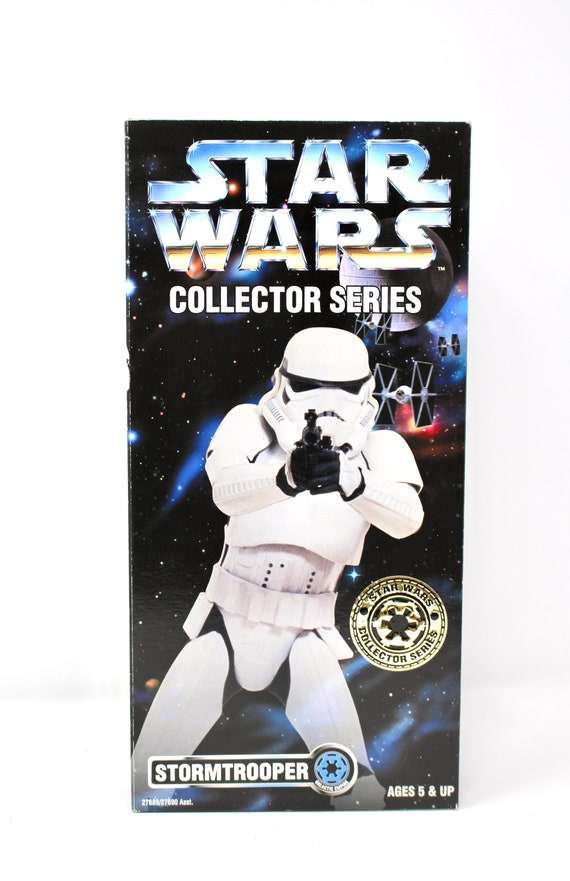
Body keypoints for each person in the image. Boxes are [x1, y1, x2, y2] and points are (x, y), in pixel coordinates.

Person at [133, 327, 424, 809]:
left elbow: (407, 519)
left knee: (358, 789)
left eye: (343, 391)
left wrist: (352, 480)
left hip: (306, 637)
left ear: (365, 391)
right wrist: (284, 477)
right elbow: (225, 492)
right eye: (309, 386)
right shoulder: (249, 425)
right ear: (283, 383)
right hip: (227, 625)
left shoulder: (381, 451)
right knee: (147, 772)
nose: (326, 405)